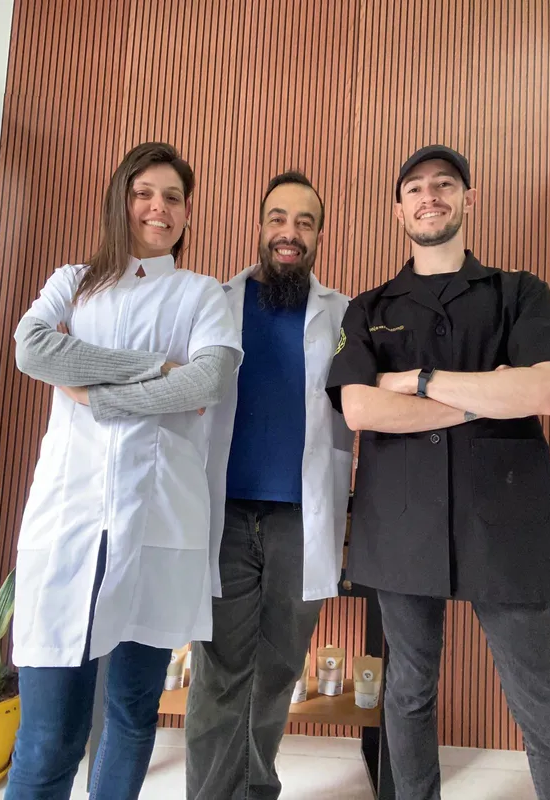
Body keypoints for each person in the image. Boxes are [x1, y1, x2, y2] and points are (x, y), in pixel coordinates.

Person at [326, 144, 550, 800]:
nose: (429, 196)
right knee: (407, 693)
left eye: (444, 185)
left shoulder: (520, 292)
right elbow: (360, 407)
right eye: (415, 189)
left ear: (469, 198)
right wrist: (484, 393)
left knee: (541, 701)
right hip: (400, 522)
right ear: (397, 208)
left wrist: (422, 383)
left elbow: (543, 392)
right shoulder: (368, 307)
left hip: (508, 520)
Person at [6, 142, 243, 800]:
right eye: (144, 193)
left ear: (187, 212)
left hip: (159, 520)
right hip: (71, 520)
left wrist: (99, 392)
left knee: (133, 717)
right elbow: (32, 348)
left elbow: (212, 378)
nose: (157, 207)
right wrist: (156, 370)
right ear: (121, 200)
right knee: (50, 732)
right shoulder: (72, 282)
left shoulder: (200, 295)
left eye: (171, 197)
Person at [184, 171, 354, 800]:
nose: (290, 233)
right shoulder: (214, 302)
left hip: (301, 519)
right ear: (260, 228)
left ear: (318, 234)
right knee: (220, 672)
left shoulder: (342, 314)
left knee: (278, 669)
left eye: (304, 222)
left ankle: (257, 788)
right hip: (225, 514)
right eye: (278, 219)